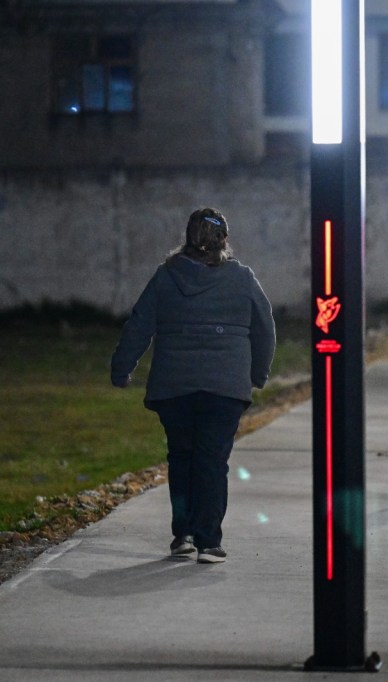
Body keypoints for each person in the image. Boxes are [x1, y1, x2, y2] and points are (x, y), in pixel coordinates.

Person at [111, 207, 276, 564]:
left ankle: (182, 534)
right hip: (225, 387)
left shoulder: (166, 277)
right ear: (225, 241)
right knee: (212, 461)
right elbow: (265, 329)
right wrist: (257, 374)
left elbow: (139, 324)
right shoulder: (243, 278)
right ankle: (209, 541)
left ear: (187, 238)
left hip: (175, 385)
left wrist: (122, 369)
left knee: (182, 457)